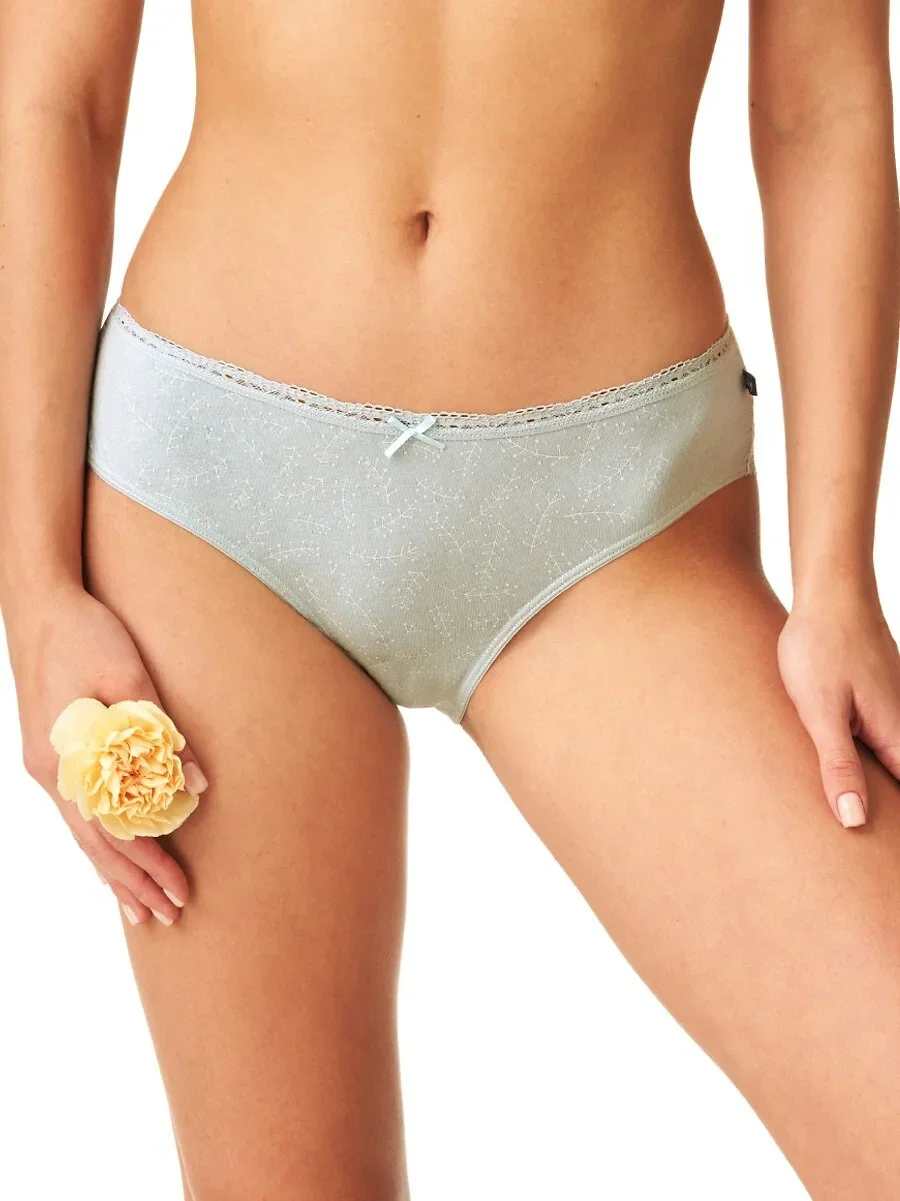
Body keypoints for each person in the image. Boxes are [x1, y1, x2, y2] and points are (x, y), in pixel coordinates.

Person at [1, 1, 899, 1197]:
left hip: (618, 513)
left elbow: (819, 107)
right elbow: (54, 98)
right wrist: (35, 589)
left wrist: (838, 580)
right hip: (213, 497)